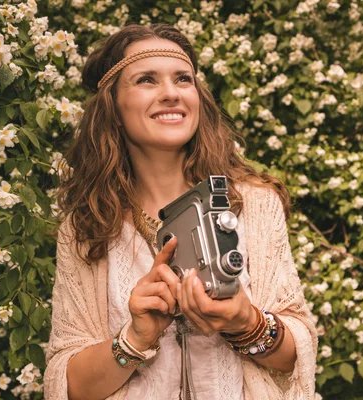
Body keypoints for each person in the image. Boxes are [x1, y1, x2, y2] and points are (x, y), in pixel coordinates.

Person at [44, 23, 318, 400]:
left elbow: (295, 354)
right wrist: (135, 337)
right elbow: (68, 383)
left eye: (183, 79)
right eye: (146, 80)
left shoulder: (253, 204)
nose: (171, 94)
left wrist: (246, 322)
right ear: (114, 109)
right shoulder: (87, 225)